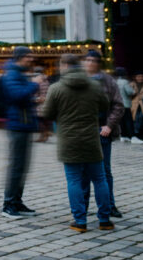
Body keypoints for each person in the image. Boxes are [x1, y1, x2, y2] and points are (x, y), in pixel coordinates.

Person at [41, 54, 114, 233]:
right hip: (91, 138)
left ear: (65, 65)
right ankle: (104, 219)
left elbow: (47, 113)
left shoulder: (56, 88)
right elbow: (105, 106)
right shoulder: (94, 86)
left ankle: (80, 221)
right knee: (99, 178)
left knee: (74, 180)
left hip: (69, 139)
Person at [1, 46, 46, 218]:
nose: (31, 59)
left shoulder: (19, 73)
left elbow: (21, 98)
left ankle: (17, 202)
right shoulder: (12, 74)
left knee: (23, 167)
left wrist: (34, 100)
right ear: (20, 57)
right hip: (17, 126)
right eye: (29, 56)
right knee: (16, 167)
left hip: (24, 124)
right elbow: (15, 95)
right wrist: (35, 84)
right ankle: (8, 204)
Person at [84, 50, 125, 218]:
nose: (91, 63)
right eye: (88, 60)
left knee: (104, 171)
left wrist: (109, 125)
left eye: (94, 60)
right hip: (83, 132)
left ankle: (109, 205)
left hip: (102, 131)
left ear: (99, 63)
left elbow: (118, 105)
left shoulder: (108, 81)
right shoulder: (79, 79)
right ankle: (82, 207)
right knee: (83, 172)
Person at [115, 68, 138, 142]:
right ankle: (133, 136)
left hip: (117, 104)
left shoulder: (114, 81)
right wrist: (134, 92)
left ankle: (123, 136)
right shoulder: (124, 82)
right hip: (125, 104)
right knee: (128, 120)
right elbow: (130, 92)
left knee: (122, 121)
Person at [128, 72, 143, 142]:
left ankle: (140, 133)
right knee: (135, 118)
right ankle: (135, 133)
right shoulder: (132, 84)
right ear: (135, 77)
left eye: (142, 76)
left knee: (142, 118)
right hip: (134, 104)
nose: (140, 78)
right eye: (138, 76)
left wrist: (142, 96)